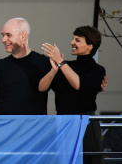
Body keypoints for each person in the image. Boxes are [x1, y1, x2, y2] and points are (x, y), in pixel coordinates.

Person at [40, 26, 107, 164]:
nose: (72, 42)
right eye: (72, 39)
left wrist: (60, 62)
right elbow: (42, 88)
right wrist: (53, 70)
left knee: (89, 160)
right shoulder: (65, 66)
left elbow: (78, 85)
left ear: (90, 46)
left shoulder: (98, 70)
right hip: (63, 122)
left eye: (77, 40)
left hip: (85, 124)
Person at [0, 18, 51, 115]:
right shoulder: (0, 65)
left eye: (8, 35)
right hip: (4, 126)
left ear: (23, 36)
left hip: (33, 127)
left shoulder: (43, 62)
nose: (3, 40)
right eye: (3, 35)